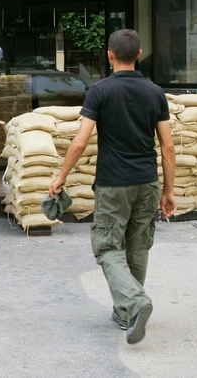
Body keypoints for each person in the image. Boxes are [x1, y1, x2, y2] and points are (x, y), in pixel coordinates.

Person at [48, 29, 176, 345]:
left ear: (110, 55)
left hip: (112, 183)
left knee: (106, 247)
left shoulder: (100, 91)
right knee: (138, 246)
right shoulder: (155, 92)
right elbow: (169, 147)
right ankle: (125, 314)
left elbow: (80, 142)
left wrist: (61, 176)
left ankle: (135, 302)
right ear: (140, 54)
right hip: (147, 181)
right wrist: (168, 191)